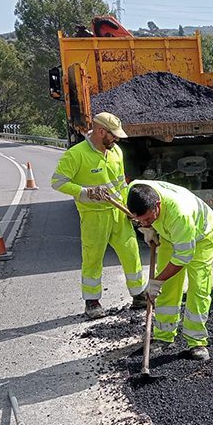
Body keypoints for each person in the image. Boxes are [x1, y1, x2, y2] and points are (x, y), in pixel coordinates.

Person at [51, 112, 145, 319]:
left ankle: (138, 295)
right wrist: (85, 192)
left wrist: (130, 207)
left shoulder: (116, 152)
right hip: (93, 216)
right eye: (113, 135)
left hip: (118, 213)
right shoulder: (76, 155)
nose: (117, 139)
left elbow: (121, 183)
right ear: (101, 131)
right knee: (93, 259)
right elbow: (57, 182)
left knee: (131, 253)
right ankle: (92, 302)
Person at [127, 180, 213, 361]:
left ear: (157, 205)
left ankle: (197, 341)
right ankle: (163, 336)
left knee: (198, 288)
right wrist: (147, 227)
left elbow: (183, 257)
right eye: (140, 219)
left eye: (147, 218)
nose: (144, 221)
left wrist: (156, 281)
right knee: (168, 287)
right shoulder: (135, 189)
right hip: (169, 235)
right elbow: (139, 213)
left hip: (201, 235)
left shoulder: (180, 214)